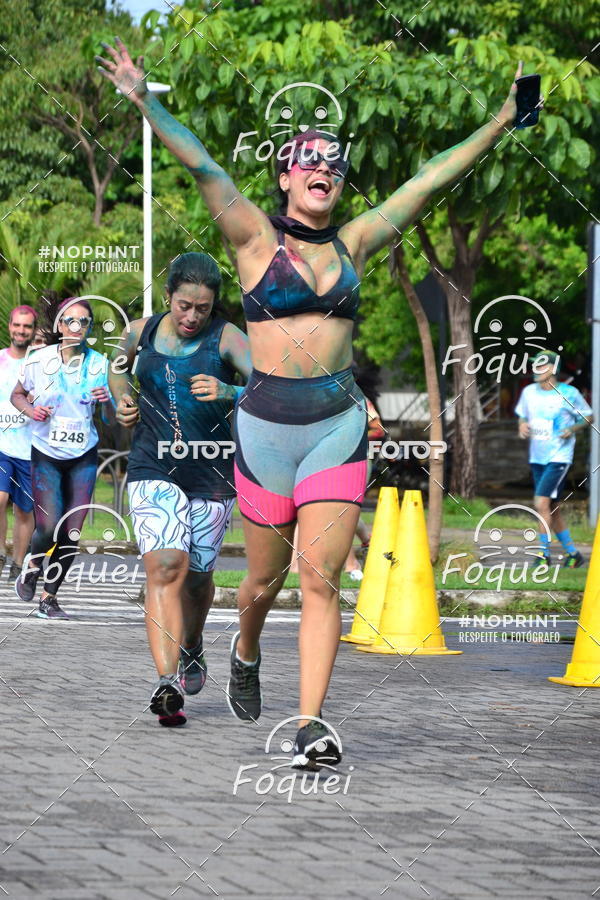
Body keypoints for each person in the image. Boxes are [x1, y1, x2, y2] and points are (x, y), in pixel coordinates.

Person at [97, 38, 531, 766]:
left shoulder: (358, 243)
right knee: (260, 583)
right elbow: (203, 165)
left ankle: (310, 727)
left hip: (334, 427)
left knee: (320, 580)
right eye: (310, 160)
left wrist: (498, 121)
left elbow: (426, 181)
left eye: (334, 162)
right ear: (284, 177)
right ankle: (244, 646)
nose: (325, 168)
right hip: (265, 433)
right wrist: (147, 100)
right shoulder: (253, 240)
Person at [109, 253, 251, 727]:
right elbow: (116, 369)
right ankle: (166, 682)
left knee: (196, 577)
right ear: (168, 296)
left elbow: (272, 384)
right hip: (153, 465)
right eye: (184, 305)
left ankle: (192, 644)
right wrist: (122, 399)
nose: (192, 317)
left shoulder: (228, 338)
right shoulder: (138, 332)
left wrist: (230, 392)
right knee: (167, 565)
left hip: (211, 473)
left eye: (203, 309)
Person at [11, 296, 115, 618]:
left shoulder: (100, 365)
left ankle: (48, 597)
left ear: (90, 328)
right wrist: (31, 409)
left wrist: (107, 402)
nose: (77, 327)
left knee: (71, 532)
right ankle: (31, 566)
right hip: (46, 455)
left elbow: (110, 420)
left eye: (83, 322)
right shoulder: (38, 360)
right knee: (49, 525)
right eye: (70, 320)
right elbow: (17, 395)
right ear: (59, 325)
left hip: (83, 455)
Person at [516, 350, 593, 568]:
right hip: (537, 458)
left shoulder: (569, 393)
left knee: (540, 503)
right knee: (552, 509)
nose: (535, 370)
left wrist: (572, 428)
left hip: (559, 458)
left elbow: (588, 415)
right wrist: (522, 423)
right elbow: (522, 413)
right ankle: (573, 554)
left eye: (540, 366)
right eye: (534, 366)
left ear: (552, 370)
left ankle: (542, 555)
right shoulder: (529, 392)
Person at [0, 305, 38, 580]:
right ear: (10, 326)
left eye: (27, 326)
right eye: (17, 325)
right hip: (1, 446)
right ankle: (0, 553)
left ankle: (17, 562)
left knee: (24, 510)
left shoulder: (40, 365)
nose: (21, 330)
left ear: (33, 330)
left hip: (31, 448)